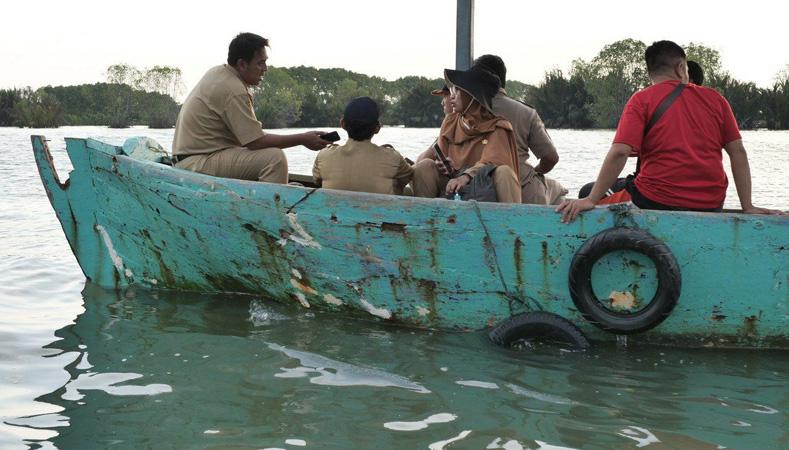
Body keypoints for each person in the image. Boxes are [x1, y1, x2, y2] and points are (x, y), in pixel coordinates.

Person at [556, 40, 785, 222]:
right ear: (681, 67)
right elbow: (738, 152)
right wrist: (748, 206)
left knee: (588, 193)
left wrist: (592, 199)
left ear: (651, 72)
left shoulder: (641, 100)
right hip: (711, 203)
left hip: (653, 199)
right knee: (607, 189)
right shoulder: (717, 100)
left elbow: (619, 152)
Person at [172, 32, 329, 183]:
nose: (265, 69)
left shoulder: (219, 72)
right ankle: (269, 209)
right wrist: (303, 139)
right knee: (274, 159)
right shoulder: (233, 89)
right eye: (260, 63)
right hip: (197, 162)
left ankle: (276, 192)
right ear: (242, 64)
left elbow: (252, 138)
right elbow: (255, 142)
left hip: (192, 158)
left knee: (267, 155)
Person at [412, 66, 521, 203]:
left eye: (457, 91)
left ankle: (508, 223)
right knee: (425, 166)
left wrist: (466, 176)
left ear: (472, 96)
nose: (451, 96)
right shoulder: (450, 122)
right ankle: (427, 221)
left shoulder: (498, 127)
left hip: (484, 188)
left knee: (504, 172)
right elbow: (441, 159)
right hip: (452, 186)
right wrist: (443, 164)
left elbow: (492, 161)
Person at [472, 54, 568, 205]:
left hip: (473, 186)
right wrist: (535, 173)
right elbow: (551, 158)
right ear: (502, 80)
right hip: (522, 187)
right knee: (559, 191)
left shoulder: (463, 112)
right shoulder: (525, 112)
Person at [312, 97, 413, 195]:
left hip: (334, 212)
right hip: (379, 212)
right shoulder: (392, 157)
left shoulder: (324, 155)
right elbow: (408, 177)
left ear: (342, 123)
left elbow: (317, 181)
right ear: (377, 128)